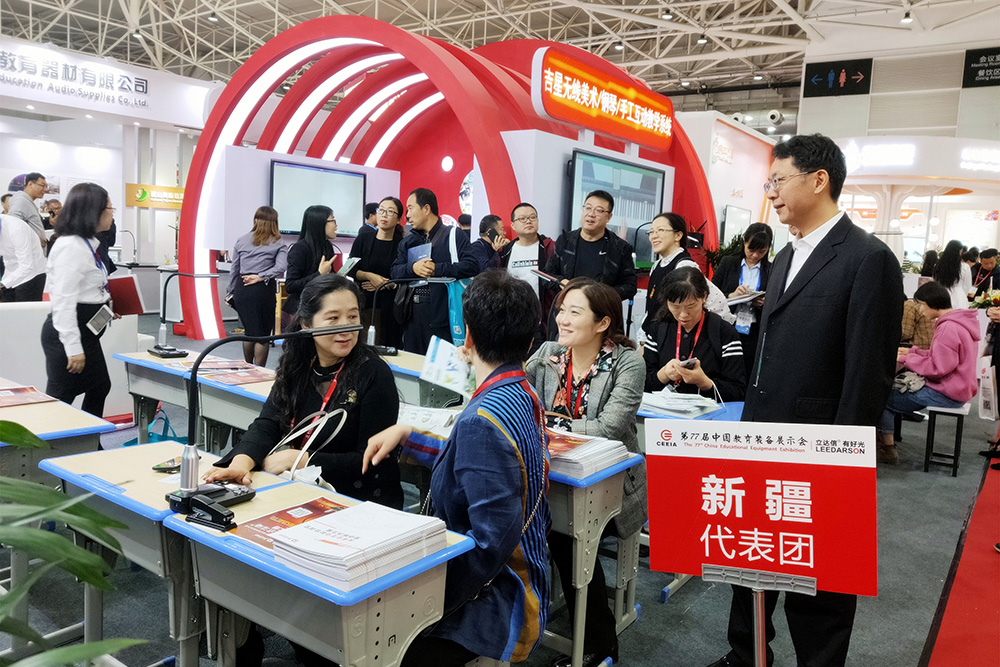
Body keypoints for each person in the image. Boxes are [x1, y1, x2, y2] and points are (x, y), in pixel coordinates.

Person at [707, 134, 903, 667]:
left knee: (820, 578)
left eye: (778, 180)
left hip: (822, 448)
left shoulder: (868, 258)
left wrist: (844, 461)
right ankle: (746, 653)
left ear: (819, 180)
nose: (770, 193)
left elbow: (868, 373)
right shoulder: (787, 254)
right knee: (753, 560)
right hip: (763, 438)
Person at [207, 274, 402, 667]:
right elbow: (268, 422)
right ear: (307, 324)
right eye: (333, 318)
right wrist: (242, 461)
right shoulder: (298, 363)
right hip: (299, 498)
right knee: (230, 564)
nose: (346, 328)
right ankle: (247, 637)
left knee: (314, 632)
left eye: (353, 316)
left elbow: (373, 462)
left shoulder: (373, 374)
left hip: (356, 505)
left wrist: (303, 459)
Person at [364, 270, 550, 666]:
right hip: (519, 574)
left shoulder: (482, 419)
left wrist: (424, 600)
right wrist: (410, 436)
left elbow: (489, 543)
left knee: (375, 637)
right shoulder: (522, 391)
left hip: (497, 599)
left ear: (467, 339)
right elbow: (475, 461)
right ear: (530, 342)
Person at [525, 278, 646, 667]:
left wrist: (545, 425)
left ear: (602, 323)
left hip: (610, 485)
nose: (562, 319)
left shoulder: (628, 362)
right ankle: (517, 622)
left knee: (567, 536)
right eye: (561, 310)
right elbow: (516, 393)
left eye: (574, 312)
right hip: (554, 475)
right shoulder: (548, 354)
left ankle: (600, 642)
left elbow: (609, 427)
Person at [877, 281, 978, 464]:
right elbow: (943, 358)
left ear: (932, 303)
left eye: (922, 305)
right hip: (959, 388)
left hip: (947, 393)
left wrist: (907, 359)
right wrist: (913, 352)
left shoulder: (948, 327)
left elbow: (938, 368)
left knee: (882, 398)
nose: (921, 311)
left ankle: (888, 448)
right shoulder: (960, 322)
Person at [40, 183, 118, 418]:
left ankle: (89, 437)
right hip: (68, 334)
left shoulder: (88, 244)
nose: (112, 214)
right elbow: (63, 302)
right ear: (94, 211)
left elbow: (89, 289)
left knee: (100, 386)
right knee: (61, 398)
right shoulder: (71, 247)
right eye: (110, 208)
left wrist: (107, 306)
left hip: (88, 332)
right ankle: (51, 440)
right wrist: (73, 349)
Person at [391, 188, 477, 353]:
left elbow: (472, 265)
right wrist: (412, 268)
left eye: (410, 208)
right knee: (413, 363)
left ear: (426, 209)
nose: (407, 215)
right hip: (412, 317)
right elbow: (394, 272)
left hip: (444, 316)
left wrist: (437, 269)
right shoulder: (408, 241)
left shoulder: (453, 235)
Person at [645, 267, 745, 401]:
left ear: (704, 297)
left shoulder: (724, 332)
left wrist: (704, 382)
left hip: (710, 413)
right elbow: (641, 383)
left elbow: (738, 391)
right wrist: (664, 374)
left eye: (691, 306)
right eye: (675, 306)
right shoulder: (658, 328)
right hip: (664, 412)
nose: (683, 315)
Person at [642, 212, 733, 339]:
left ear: (678, 235)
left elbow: (715, 302)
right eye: (651, 232)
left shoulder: (683, 265)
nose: (654, 236)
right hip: (655, 336)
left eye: (660, 230)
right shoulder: (657, 265)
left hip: (673, 339)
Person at [544, 189, 637, 302]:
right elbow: (547, 275)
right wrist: (561, 281)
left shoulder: (620, 248)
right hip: (568, 307)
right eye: (588, 208)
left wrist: (603, 295)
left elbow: (630, 286)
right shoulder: (565, 241)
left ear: (608, 217)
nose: (591, 214)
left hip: (601, 309)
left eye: (599, 211)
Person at [226, 205, 288, 366]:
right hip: (263, 290)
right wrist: (261, 276)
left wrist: (230, 292)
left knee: (249, 331)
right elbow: (281, 267)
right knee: (262, 335)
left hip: (242, 288)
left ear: (255, 220)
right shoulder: (278, 242)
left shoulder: (241, 240)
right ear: (274, 222)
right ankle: (259, 370)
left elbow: (234, 269)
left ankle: (247, 366)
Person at [712, 223, 773, 378]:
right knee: (725, 367)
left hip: (754, 329)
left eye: (762, 251)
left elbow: (776, 299)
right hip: (727, 324)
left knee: (747, 369)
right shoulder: (728, 263)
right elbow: (712, 292)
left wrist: (763, 303)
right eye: (751, 249)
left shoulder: (771, 269)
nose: (755, 255)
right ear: (744, 241)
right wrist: (732, 295)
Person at [348, 196, 405, 347]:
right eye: (381, 210)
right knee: (362, 346)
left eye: (390, 211)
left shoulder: (402, 244)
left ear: (398, 219)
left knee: (388, 345)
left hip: (391, 306)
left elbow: (404, 275)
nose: (384, 215)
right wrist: (370, 276)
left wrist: (385, 284)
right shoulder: (363, 239)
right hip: (364, 303)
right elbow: (350, 269)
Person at [499, 202, 556, 346]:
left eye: (532, 217)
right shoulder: (505, 251)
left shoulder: (550, 248)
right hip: (512, 323)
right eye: (522, 218)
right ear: (513, 225)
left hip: (540, 324)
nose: (528, 221)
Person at [283, 205, 341, 317]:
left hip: (320, 305)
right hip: (300, 311)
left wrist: (337, 277)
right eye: (333, 220)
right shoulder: (300, 249)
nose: (336, 225)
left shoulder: (327, 246)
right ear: (320, 223)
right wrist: (319, 274)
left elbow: (328, 275)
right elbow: (290, 285)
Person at [0, 213, 47, 301]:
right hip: (10, 273)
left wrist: (2, 284)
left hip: (32, 275)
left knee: (26, 309)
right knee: (7, 309)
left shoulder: (16, 229)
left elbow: (27, 266)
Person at [8, 172, 47, 248]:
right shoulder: (21, 201)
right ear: (30, 184)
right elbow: (13, 226)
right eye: (42, 185)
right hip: (28, 252)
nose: (45, 190)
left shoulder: (28, 201)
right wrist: (35, 240)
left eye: (46, 186)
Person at [933, 239, 971, 310]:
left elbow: (935, 281)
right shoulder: (965, 267)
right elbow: (967, 286)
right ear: (959, 251)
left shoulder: (938, 265)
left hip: (941, 296)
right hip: (959, 298)